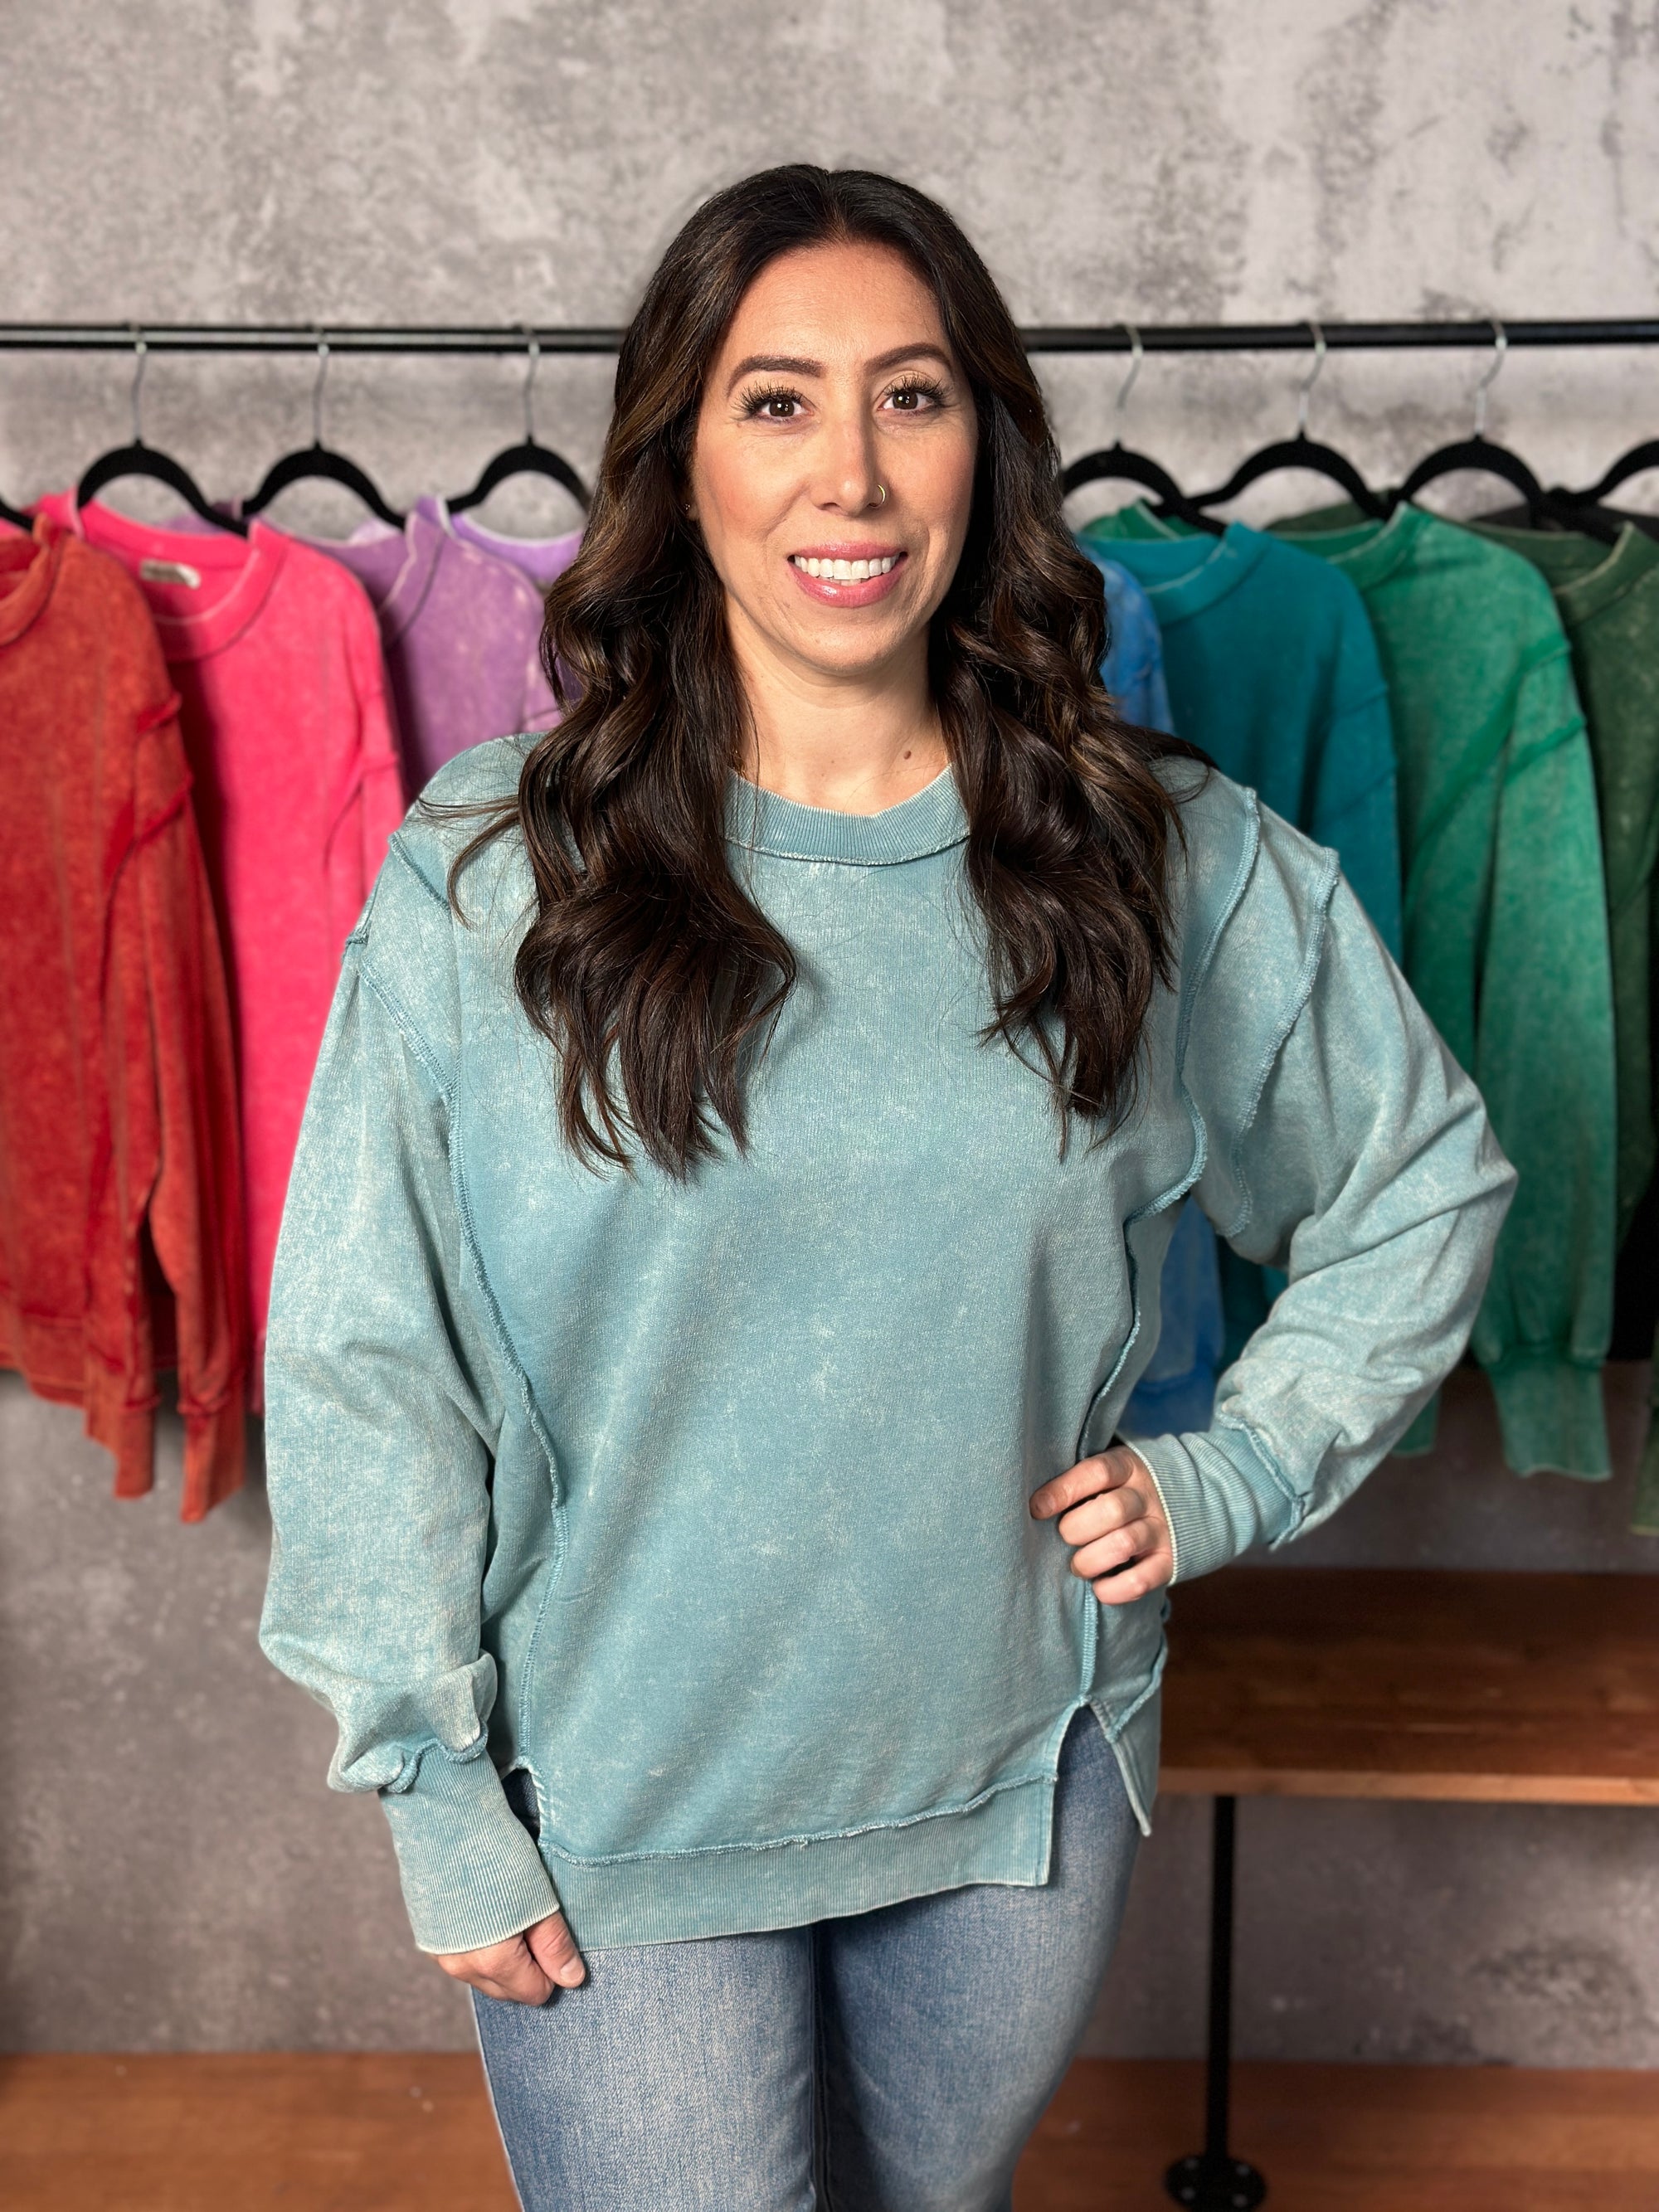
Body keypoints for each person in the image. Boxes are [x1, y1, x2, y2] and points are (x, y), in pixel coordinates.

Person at [260, 165, 1513, 2211]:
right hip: (617, 1800)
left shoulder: (1155, 859)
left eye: (910, 397)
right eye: (776, 401)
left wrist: (1234, 1469)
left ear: (983, 447)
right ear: (678, 462)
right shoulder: (493, 876)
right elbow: (362, 1352)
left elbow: (1419, 1184)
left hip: (1013, 1784)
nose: (848, 472)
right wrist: (425, 1773)